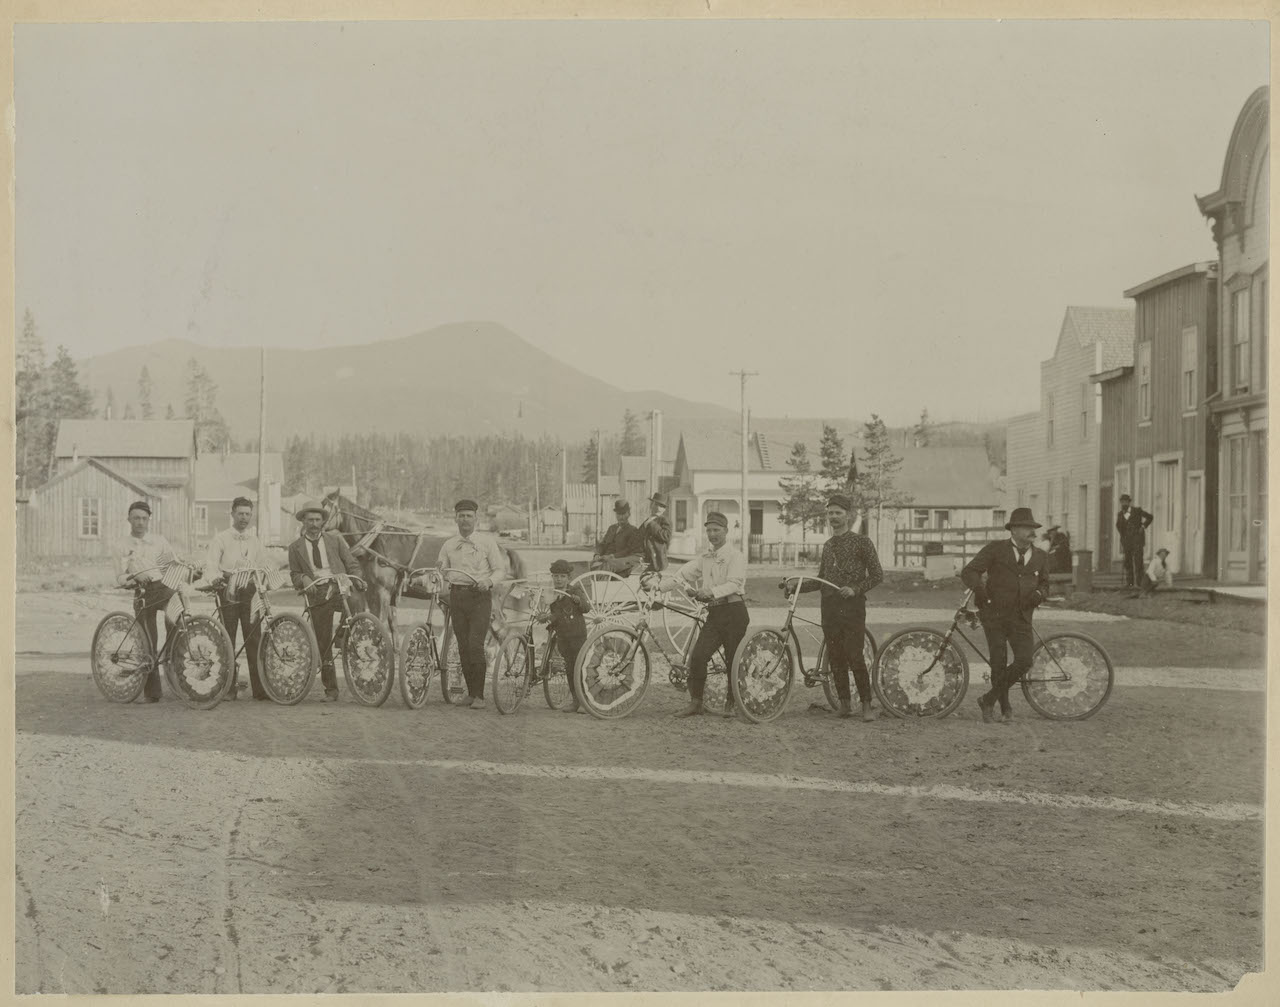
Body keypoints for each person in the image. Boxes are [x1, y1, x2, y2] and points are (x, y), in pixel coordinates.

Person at [787, 493, 883, 721]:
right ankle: (844, 704)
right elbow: (822, 579)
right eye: (830, 513)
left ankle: (867, 705)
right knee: (836, 656)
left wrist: (855, 589)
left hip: (852, 607)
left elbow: (877, 575)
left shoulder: (862, 542)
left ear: (848, 515)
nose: (834, 517)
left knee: (854, 655)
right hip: (829, 607)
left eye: (838, 513)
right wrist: (797, 586)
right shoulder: (828, 545)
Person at [650, 511, 748, 718]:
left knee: (733, 658)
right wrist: (659, 588)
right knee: (698, 656)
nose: (712, 534)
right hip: (715, 614)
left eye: (716, 530)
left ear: (726, 531)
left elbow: (734, 583)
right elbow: (682, 575)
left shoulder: (736, 556)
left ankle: (733, 702)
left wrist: (710, 592)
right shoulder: (705, 558)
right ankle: (696, 703)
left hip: (734, 612)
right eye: (709, 530)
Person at [961, 507, 1050, 724]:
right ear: (1014, 530)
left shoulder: (1041, 556)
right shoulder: (995, 550)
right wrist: (980, 590)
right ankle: (1005, 707)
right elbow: (969, 571)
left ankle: (988, 699)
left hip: (1021, 617)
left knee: (1024, 661)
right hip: (995, 615)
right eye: (1027, 528)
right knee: (998, 662)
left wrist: (1038, 595)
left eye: (1033, 528)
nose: (1032, 532)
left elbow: (1046, 585)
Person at [287, 500, 363, 702]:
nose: (313, 524)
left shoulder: (335, 541)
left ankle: (343, 633)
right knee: (323, 641)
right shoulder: (295, 548)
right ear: (303, 521)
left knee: (355, 601)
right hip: (316, 592)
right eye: (309, 520)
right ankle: (331, 690)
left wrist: (357, 578)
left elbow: (351, 563)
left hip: (338, 586)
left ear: (323, 522)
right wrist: (304, 579)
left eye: (317, 520)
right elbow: (294, 573)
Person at [439, 498, 507, 710]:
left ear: (476, 519)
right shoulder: (449, 545)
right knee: (462, 646)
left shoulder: (487, 543)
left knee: (475, 645)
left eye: (469, 516)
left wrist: (488, 581)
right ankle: (469, 693)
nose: (465, 520)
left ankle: (479, 695)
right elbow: (441, 569)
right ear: (455, 519)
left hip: (480, 598)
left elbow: (500, 570)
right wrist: (439, 578)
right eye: (461, 516)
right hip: (457, 598)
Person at [205, 496, 270, 700]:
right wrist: (217, 580)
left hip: (249, 590)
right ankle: (229, 688)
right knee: (228, 637)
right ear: (232, 514)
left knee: (254, 638)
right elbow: (211, 566)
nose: (244, 518)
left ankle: (260, 690)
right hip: (228, 590)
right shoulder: (221, 538)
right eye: (240, 513)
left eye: (248, 514)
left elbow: (262, 564)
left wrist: (264, 581)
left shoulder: (255, 540)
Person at [115, 500, 177, 703]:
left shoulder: (159, 541)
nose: (140, 522)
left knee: (177, 617)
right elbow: (119, 576)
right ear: (129, 519)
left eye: (144, 518)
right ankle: (153, 692)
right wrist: (133, 577)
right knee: (149, 642)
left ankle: (173, 659)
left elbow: (171, 564)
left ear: (149, 519)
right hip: (141, 592)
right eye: (136, 518)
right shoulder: (123, 544)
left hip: (162, 588)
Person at [537, 558, 592, 713]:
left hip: (577, 635)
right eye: (555, 576)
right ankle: (575, 701)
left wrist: (578, 601)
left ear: (568, 578)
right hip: (563, 636)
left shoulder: (575, 591)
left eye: (562, 576)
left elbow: (586, 608)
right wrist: (547, 619)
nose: (558, 579)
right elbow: (556, 615)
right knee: (569, 668)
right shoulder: (553, 595)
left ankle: (584, 702)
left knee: (579, 668)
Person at [591, 499, 646, 575]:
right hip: (604, 559)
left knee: (602, 569)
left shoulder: (632, 530)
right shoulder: (612, 528)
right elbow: (603, 544)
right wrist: (597, 554)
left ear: (629, 514)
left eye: (623, 514)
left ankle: (599, 585)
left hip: (616, 562)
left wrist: (612, 556)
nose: (621, 517)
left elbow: (628, 550)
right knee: (590, 565)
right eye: (618, 514)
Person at [1116, 494, 1153, 588]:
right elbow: (1118, 526)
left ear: (1129, 502)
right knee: (1128, 562)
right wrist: (1123, 536)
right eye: (1122, 502)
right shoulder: (1120, 514)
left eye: (1125, 501)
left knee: (1138, 562)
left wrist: (1143, 526)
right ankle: (1130, 583)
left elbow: (1150, 517)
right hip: (1127, 542)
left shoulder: (1137, 511)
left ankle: (1140, 583)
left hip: (1137, 541)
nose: (1124, 503)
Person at [638, 492, 673, 572]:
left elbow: (666, 536)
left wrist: (652, 524)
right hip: (645, 555)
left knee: (648, 581)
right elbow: (639, 535)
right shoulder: (648, 520)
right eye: (656, 504)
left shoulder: (664, 520)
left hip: (657, 558)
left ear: (664, 509)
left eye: (662, 506)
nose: (658, 508)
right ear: (651, 505)